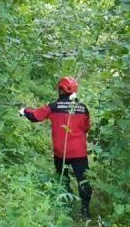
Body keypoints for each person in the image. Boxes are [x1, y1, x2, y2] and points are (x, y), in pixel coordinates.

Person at [20, 77, 93, 218]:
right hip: (79, 152)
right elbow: (86, 128)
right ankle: (85, 210)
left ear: (61, 90)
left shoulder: (53, 107)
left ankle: (65, 204)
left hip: (61, 152)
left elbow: (35, 116)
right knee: (83, 180)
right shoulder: (83, 108)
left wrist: (24, 111)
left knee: (62, 177)